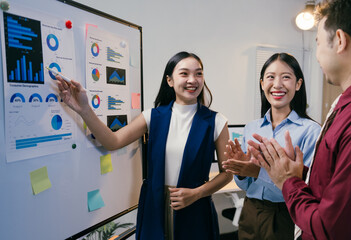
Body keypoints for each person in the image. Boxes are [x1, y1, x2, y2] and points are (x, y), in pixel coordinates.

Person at [249, 0, 351, 239]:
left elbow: (331, 229)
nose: (317, 55)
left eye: (317, 42)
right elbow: (339, 184)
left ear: (339, 40)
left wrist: (288, 182)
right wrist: (299, 173)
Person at [56, 51, 232, 240]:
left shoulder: (216, 121)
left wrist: (197, 193)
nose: (193, 80)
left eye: (198, 73)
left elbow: (227, 173)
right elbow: (112, 141)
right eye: (184, 73)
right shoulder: (153, 117)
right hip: (154, 205)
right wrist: (84, 109)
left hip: (195, 207)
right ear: (170, 80)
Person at [222, 53, 321, 240]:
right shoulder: (252, 127)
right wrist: (242, 171)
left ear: (298, 84)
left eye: (286, 77)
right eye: (270, 77)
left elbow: (308, 188)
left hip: (287, 215)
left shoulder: (311, 131)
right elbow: (245, 185)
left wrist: (257, 172)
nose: (277, 84)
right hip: (250, 211)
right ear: (261, 83)